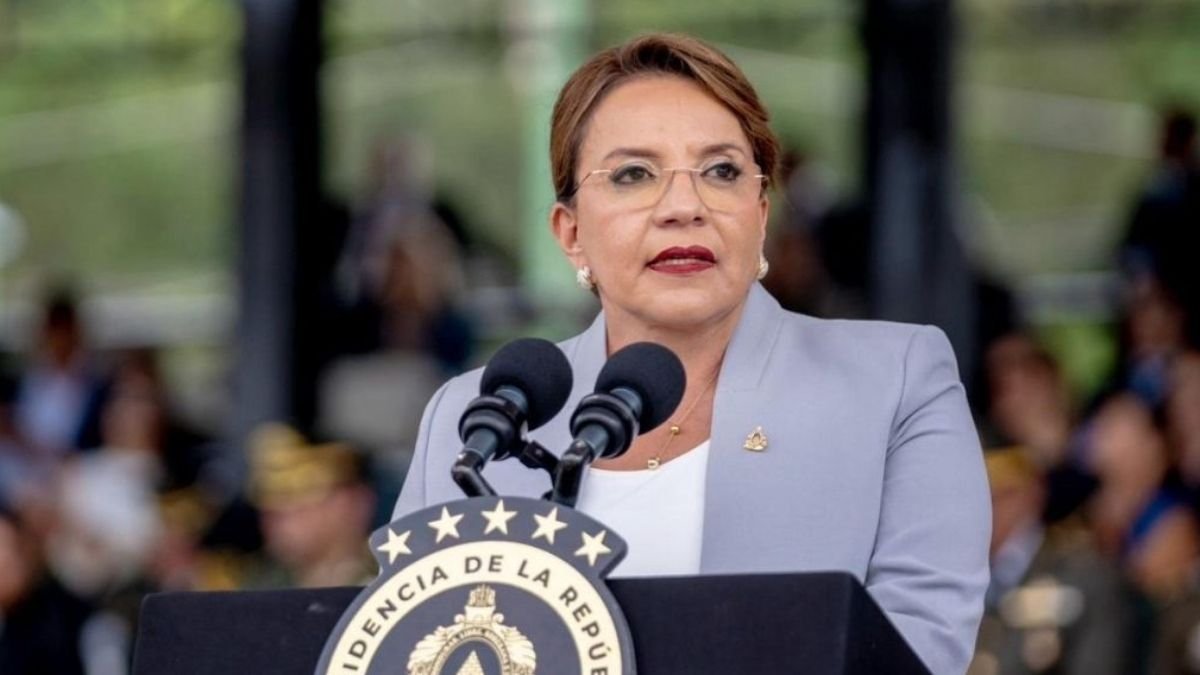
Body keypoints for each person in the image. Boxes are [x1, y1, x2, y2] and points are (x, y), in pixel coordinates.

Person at [392, 33, 989, 674]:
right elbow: (396, 644)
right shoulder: (475, 415)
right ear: (571, 233)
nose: (684, 207)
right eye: (633, 175)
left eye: (722, 172)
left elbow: (917, 651)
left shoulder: (894, 382)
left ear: (760, 213)